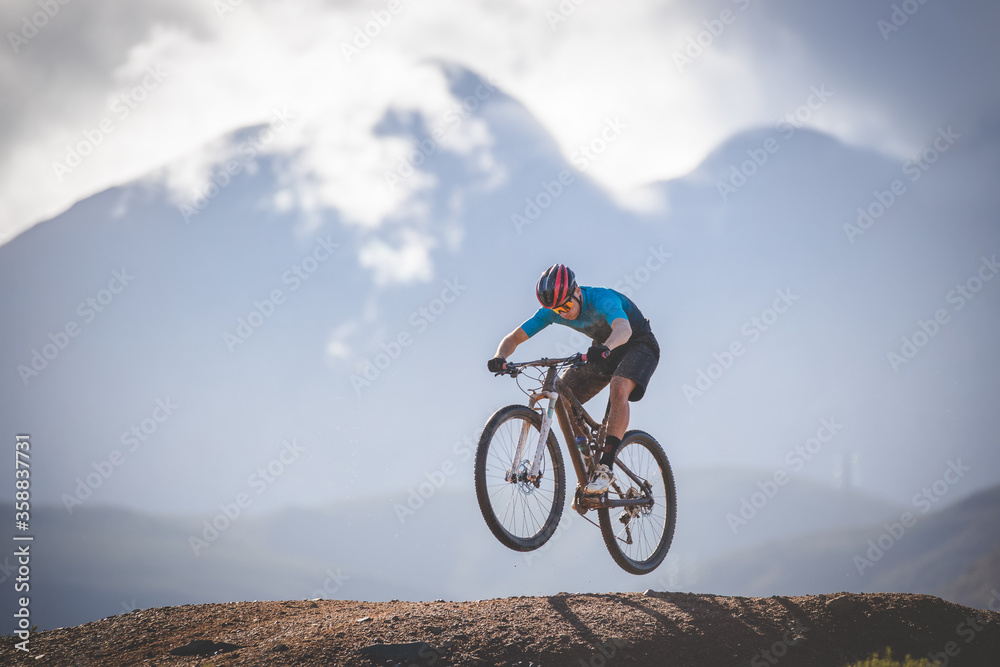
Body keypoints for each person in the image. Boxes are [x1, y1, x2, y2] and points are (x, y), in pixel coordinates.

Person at [487, 263, 660, 495]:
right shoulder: (553, 309)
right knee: (562, 396)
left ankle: (605, 466)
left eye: (567, 305)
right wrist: (501, 356)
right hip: (605, 349)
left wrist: (606, 347)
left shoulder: (603, 299)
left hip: (638, 345)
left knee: (619, 386)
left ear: (577, 291)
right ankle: (587, 457)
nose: (564, 312)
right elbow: (515, 337)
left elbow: (624, 329)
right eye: (557, 310)